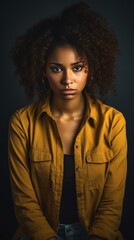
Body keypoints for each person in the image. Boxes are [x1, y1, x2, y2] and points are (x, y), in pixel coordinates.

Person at [8, 1, 127, 240]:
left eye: (77, 67)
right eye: (56, 69)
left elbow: (112, 203)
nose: (67, 80)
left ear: (89, 69)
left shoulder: (113, 122)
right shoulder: (22, 123)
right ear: (43, 70)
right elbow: (24, 201)